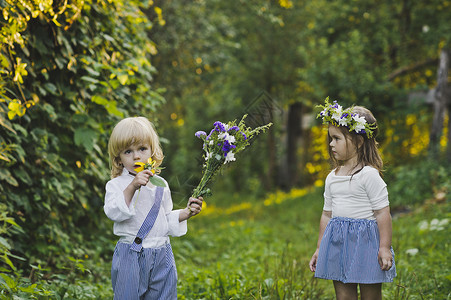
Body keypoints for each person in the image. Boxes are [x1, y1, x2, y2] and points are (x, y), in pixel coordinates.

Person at [104, 116, 203, 300]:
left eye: (142, 148)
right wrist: (132, 186)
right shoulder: (116, 185)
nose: (136, 156)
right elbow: (114, 212)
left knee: (164, 295)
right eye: (128, 151)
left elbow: (164, 218)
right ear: (118, 158)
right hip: (132, 255)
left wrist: (187, 212)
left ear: (152, 150)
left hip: (162, 253)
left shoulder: (161, 184)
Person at [309, 98, 396, 300]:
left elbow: (383, 212)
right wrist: (320, 248)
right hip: (338, 242)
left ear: (358, 142)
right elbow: (326, 214)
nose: (331, 144)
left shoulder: (369, 175)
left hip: (366, 243)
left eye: (337, 139)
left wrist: (384, 246)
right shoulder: (332, 177)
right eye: (331, 138)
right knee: (343, 295)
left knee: (370, 295)